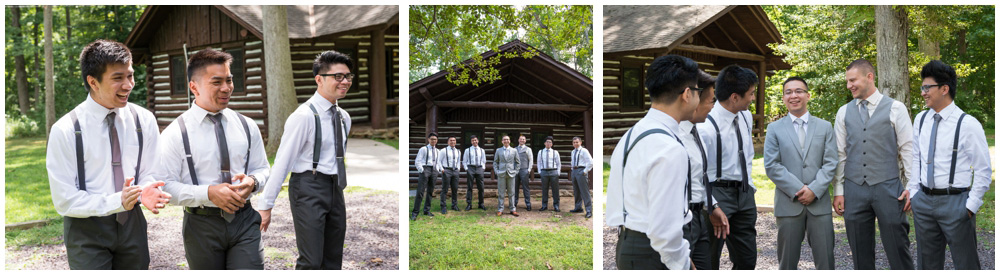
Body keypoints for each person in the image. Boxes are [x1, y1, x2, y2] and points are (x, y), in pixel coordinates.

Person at [47, 39, 171, 270]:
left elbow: (151, 172)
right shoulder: (65, 130)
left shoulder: (144, 120)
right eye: (118, 78)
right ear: (93, 82)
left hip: (132, 224)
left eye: (130, 75)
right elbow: (64, 200)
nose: (128, 85)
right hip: (86, 230)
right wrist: (117, 201)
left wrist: (146, 190)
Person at [155, 48, 270, 269]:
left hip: (244, 219)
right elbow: (165, 188)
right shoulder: (175, 133)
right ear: (194, 87)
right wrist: (207, 193)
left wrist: (254, 182)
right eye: (217, 82)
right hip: (201, 225)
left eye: (229, 80)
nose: (226, 88)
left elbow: (263, 168)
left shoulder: (247, 125)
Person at [257, 51, 353, 269]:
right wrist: (265, 205)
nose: (345, 81)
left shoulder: (344, 117)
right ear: (319, 79)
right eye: (338, 77)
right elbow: (282, 162)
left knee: (333, 258)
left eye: (348, 77)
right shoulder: (303, 116)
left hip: (335, 187)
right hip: (308, 187)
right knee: (311, 260)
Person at [606, 54, 700, 270]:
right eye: (698, 91)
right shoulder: (669, 148)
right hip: (653, 254)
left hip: (629, 243)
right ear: (687, 94)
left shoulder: (631, 134)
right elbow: (664, 231)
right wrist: (684, 265)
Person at [832, 59, 915, 270]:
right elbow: (840, 154)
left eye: (853, 80)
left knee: (898, 247)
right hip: (854, 189)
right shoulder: (843, 112)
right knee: (860, 253)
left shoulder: (896, 108)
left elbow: (908, 149)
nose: (849, 85)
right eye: (847, 81)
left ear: (869, 77)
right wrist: (839, 190)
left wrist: (912, 187)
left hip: (888, 188)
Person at [908, 60, 991, 270]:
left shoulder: (968, 124)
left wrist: (970, 207)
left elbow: (983, 171)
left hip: (956, 203)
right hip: (924, 202)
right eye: (922, 87)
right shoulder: (920, 119)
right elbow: (915, 157)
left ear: (944, 89)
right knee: (927, 265)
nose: (923, 92)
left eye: (928, 87)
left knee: (966, 265)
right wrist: (914, 192)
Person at [764, 77, 837, 270]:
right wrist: (799, 189)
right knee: (787, 263)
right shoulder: (774, 128)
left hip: (819, 204)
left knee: (826, 262)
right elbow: (772, 165)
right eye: (788, 92)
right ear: (783, 98)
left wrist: (814, 189)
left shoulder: (825, 126)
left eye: (798, 91)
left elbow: (831, 162)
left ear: (808, 95)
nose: (793, 96)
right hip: (789, 204)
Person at [698, 64, 758, 270]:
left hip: (744, 194)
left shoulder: (745, 116)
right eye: (750, 94)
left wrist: (749, 187)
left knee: (747, 260)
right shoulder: (705, 124)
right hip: (717, 193)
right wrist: (711, 205)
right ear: (734, 97)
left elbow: (748, 154)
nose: (752, 98)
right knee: (709, 259)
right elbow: (699, 173)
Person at [678, 70, 723, 270]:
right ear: (693, 99)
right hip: (680, 222)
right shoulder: (673, 137)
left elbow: (698, 178)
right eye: (711, 101)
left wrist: (712, 205)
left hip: (699, 218)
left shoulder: (697, 133)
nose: (713, 107)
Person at [411, 133, 442, 220]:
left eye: (435, 139)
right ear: (428, 139)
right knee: (420, 192)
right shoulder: (423, 149)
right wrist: (422, 170)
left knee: (430, 191)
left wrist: (437, 169)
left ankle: (426, 210)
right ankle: (415, 212)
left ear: (437, 140)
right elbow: (418, 161)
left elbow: (439, 162)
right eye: (432, 139)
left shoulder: (437, 151)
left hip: (434, 171)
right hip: (425, 169)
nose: (433, 141)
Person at [493, 135, 520, 216]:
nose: (506, 141)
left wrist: (516, 172)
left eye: (508, 139)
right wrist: (496, 171)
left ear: (510, 141)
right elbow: (495, 162)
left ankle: (513, 209)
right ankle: (500, 209)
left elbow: (518, 162)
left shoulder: (514, 150)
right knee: (501, 193)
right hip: (501, 173)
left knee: (511, 192)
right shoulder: (498, 150)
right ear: (502, 141)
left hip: (511, 174)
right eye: (504, 139)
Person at [569, 137, 593, 218]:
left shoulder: (584, 151)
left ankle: (589, 210)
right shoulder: (573, 152)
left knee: (584, 191)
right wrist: (572, 170)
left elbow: (590, 162)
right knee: (576, 191)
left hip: (581, 170)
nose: (575, 144)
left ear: (580, 142)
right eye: (574, 142)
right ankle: (578, 207)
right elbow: (572, 162)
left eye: (577, 142)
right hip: (574, 171)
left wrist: (584, 171)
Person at [536, 136, 561, 212]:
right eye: (547, 142)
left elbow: (558, 163)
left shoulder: (555, 152)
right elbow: (539, 162)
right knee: (544, 189)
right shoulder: (540, 152)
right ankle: (544, 205)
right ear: (544, 143)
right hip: (544, 172)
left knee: (555, 190)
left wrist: (558, 172)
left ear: (552, 144)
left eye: (550, 142)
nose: (548, 143)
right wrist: (540, 172)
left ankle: (556, 206)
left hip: (553, 171)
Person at [463, 135, 487, 211]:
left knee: (481, 187)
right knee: (470, 187)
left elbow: (484, 160)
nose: (474, 142)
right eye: (473, 140)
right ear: (471, 142)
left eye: (475, 140)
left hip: (479, 168)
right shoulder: (467, 150)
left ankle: (481, 204)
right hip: (470, 168)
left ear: (478, 141)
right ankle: (469, 204)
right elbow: (464, 161)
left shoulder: (482, 150)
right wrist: (467, 169)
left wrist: (483, 168)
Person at [439, 137, 462, 214]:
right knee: (444, 189)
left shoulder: (458, 151)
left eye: (454, 140)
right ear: (448, 142)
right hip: (446, 170)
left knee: (455, 189)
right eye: (451, 140)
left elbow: (458, 161)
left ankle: (454, 205)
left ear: (456, 142)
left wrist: (458, 169)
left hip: (455, 171)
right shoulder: (443, 150)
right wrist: (442, 169)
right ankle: (443, 207)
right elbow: (439, 161)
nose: (452, 142)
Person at [513, 135, 534, 211]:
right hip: (516, 171)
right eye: (521, 139)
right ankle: (514, 203)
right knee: (515, 188)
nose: (522, 140)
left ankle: (528, 204)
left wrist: (529, 169)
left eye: (523, 139)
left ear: (525, 141)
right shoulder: (514, 149)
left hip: (524, 170)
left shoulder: (528, 149)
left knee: (526, 188)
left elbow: (531, 160)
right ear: (518, 140)